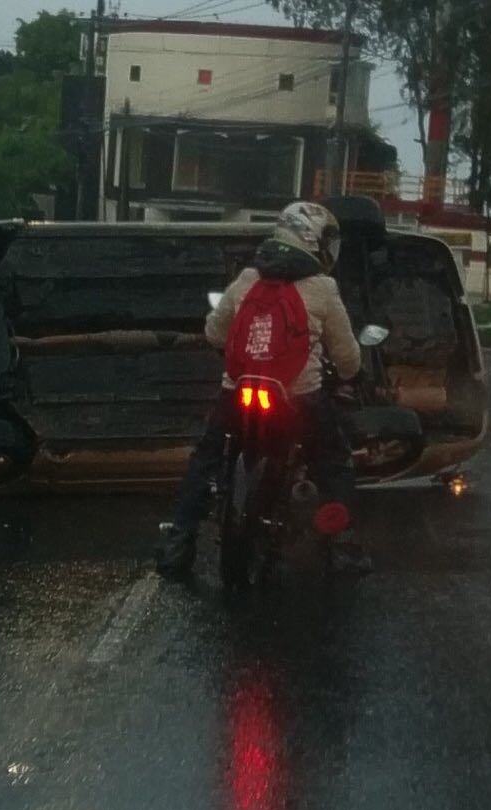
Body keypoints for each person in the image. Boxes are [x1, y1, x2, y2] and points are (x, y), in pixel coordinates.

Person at [155, 201, 372, 578]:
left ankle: (179, 541)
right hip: (298, 399)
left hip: (237, 392)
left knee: (206, 457)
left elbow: (213, 332)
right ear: (313, 240)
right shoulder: (322, 287)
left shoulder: (247, 279)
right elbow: (348, 358)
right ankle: (343, 546)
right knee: (333, 461)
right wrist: (352, 372)